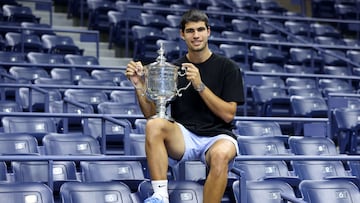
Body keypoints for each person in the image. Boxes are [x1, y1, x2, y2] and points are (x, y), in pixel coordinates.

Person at [125, 9, 244, 203]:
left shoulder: (228, 67)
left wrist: (199, 85)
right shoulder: (173, 70)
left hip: (218, 135)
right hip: (184, 134)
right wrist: (139, 86)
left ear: (208, 31)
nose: (196, 35)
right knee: (154, 125)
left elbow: (228, 115)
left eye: (200, 30)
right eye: (190, 31)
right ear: (182, 34)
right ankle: (160, 196)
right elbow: (152, 115)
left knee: (221, 155)